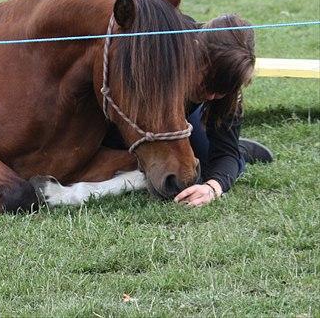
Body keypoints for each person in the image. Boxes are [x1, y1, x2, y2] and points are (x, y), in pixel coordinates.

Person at [103, 14, 274, 207]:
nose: (210, 97)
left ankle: (238, 150)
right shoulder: (160, 54)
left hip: (184, 121)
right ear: (195, 51)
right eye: (206, 84)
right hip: (152, 124)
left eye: (221, 92)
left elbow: (225, 154)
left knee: (206, 165)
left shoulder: (226, 78)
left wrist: (212, 187)